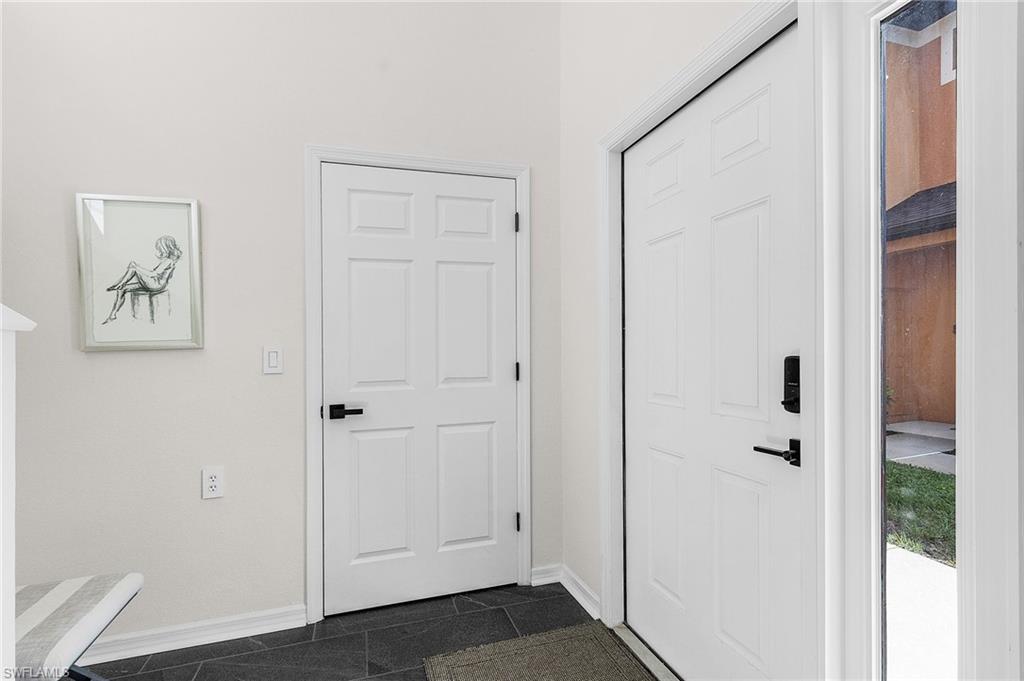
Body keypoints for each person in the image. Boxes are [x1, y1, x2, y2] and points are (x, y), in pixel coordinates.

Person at [102, 235, 181, 324]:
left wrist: (137, 267)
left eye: (160, 248)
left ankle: (119, 283)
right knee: (122, 289)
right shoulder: (167, 260)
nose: (158, 250)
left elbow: (153, 274)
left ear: (166, 247)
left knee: (133, 267)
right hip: (154, 283)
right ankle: (113, 314)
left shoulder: (168, 261)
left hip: (156, 285)